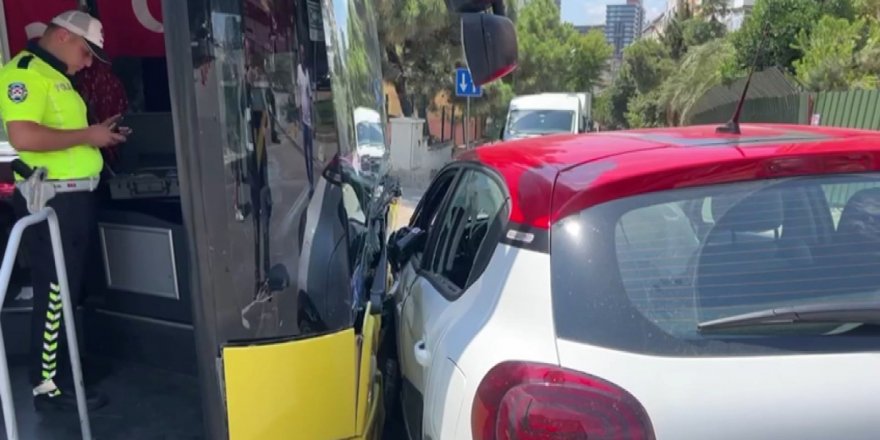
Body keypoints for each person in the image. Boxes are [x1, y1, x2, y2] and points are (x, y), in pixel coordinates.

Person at [0, 10, 127, 411]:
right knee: (54, 292)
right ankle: (47, 386)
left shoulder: (56, 77)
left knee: (69, 288)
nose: (88, 63)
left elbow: (62, 137)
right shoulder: (24, 74)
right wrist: (90, 134)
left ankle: (66, 366)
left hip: (74, 197)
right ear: (63, 37)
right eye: (87, 53)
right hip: (52, 202)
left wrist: (95, 136)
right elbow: (24, 135)